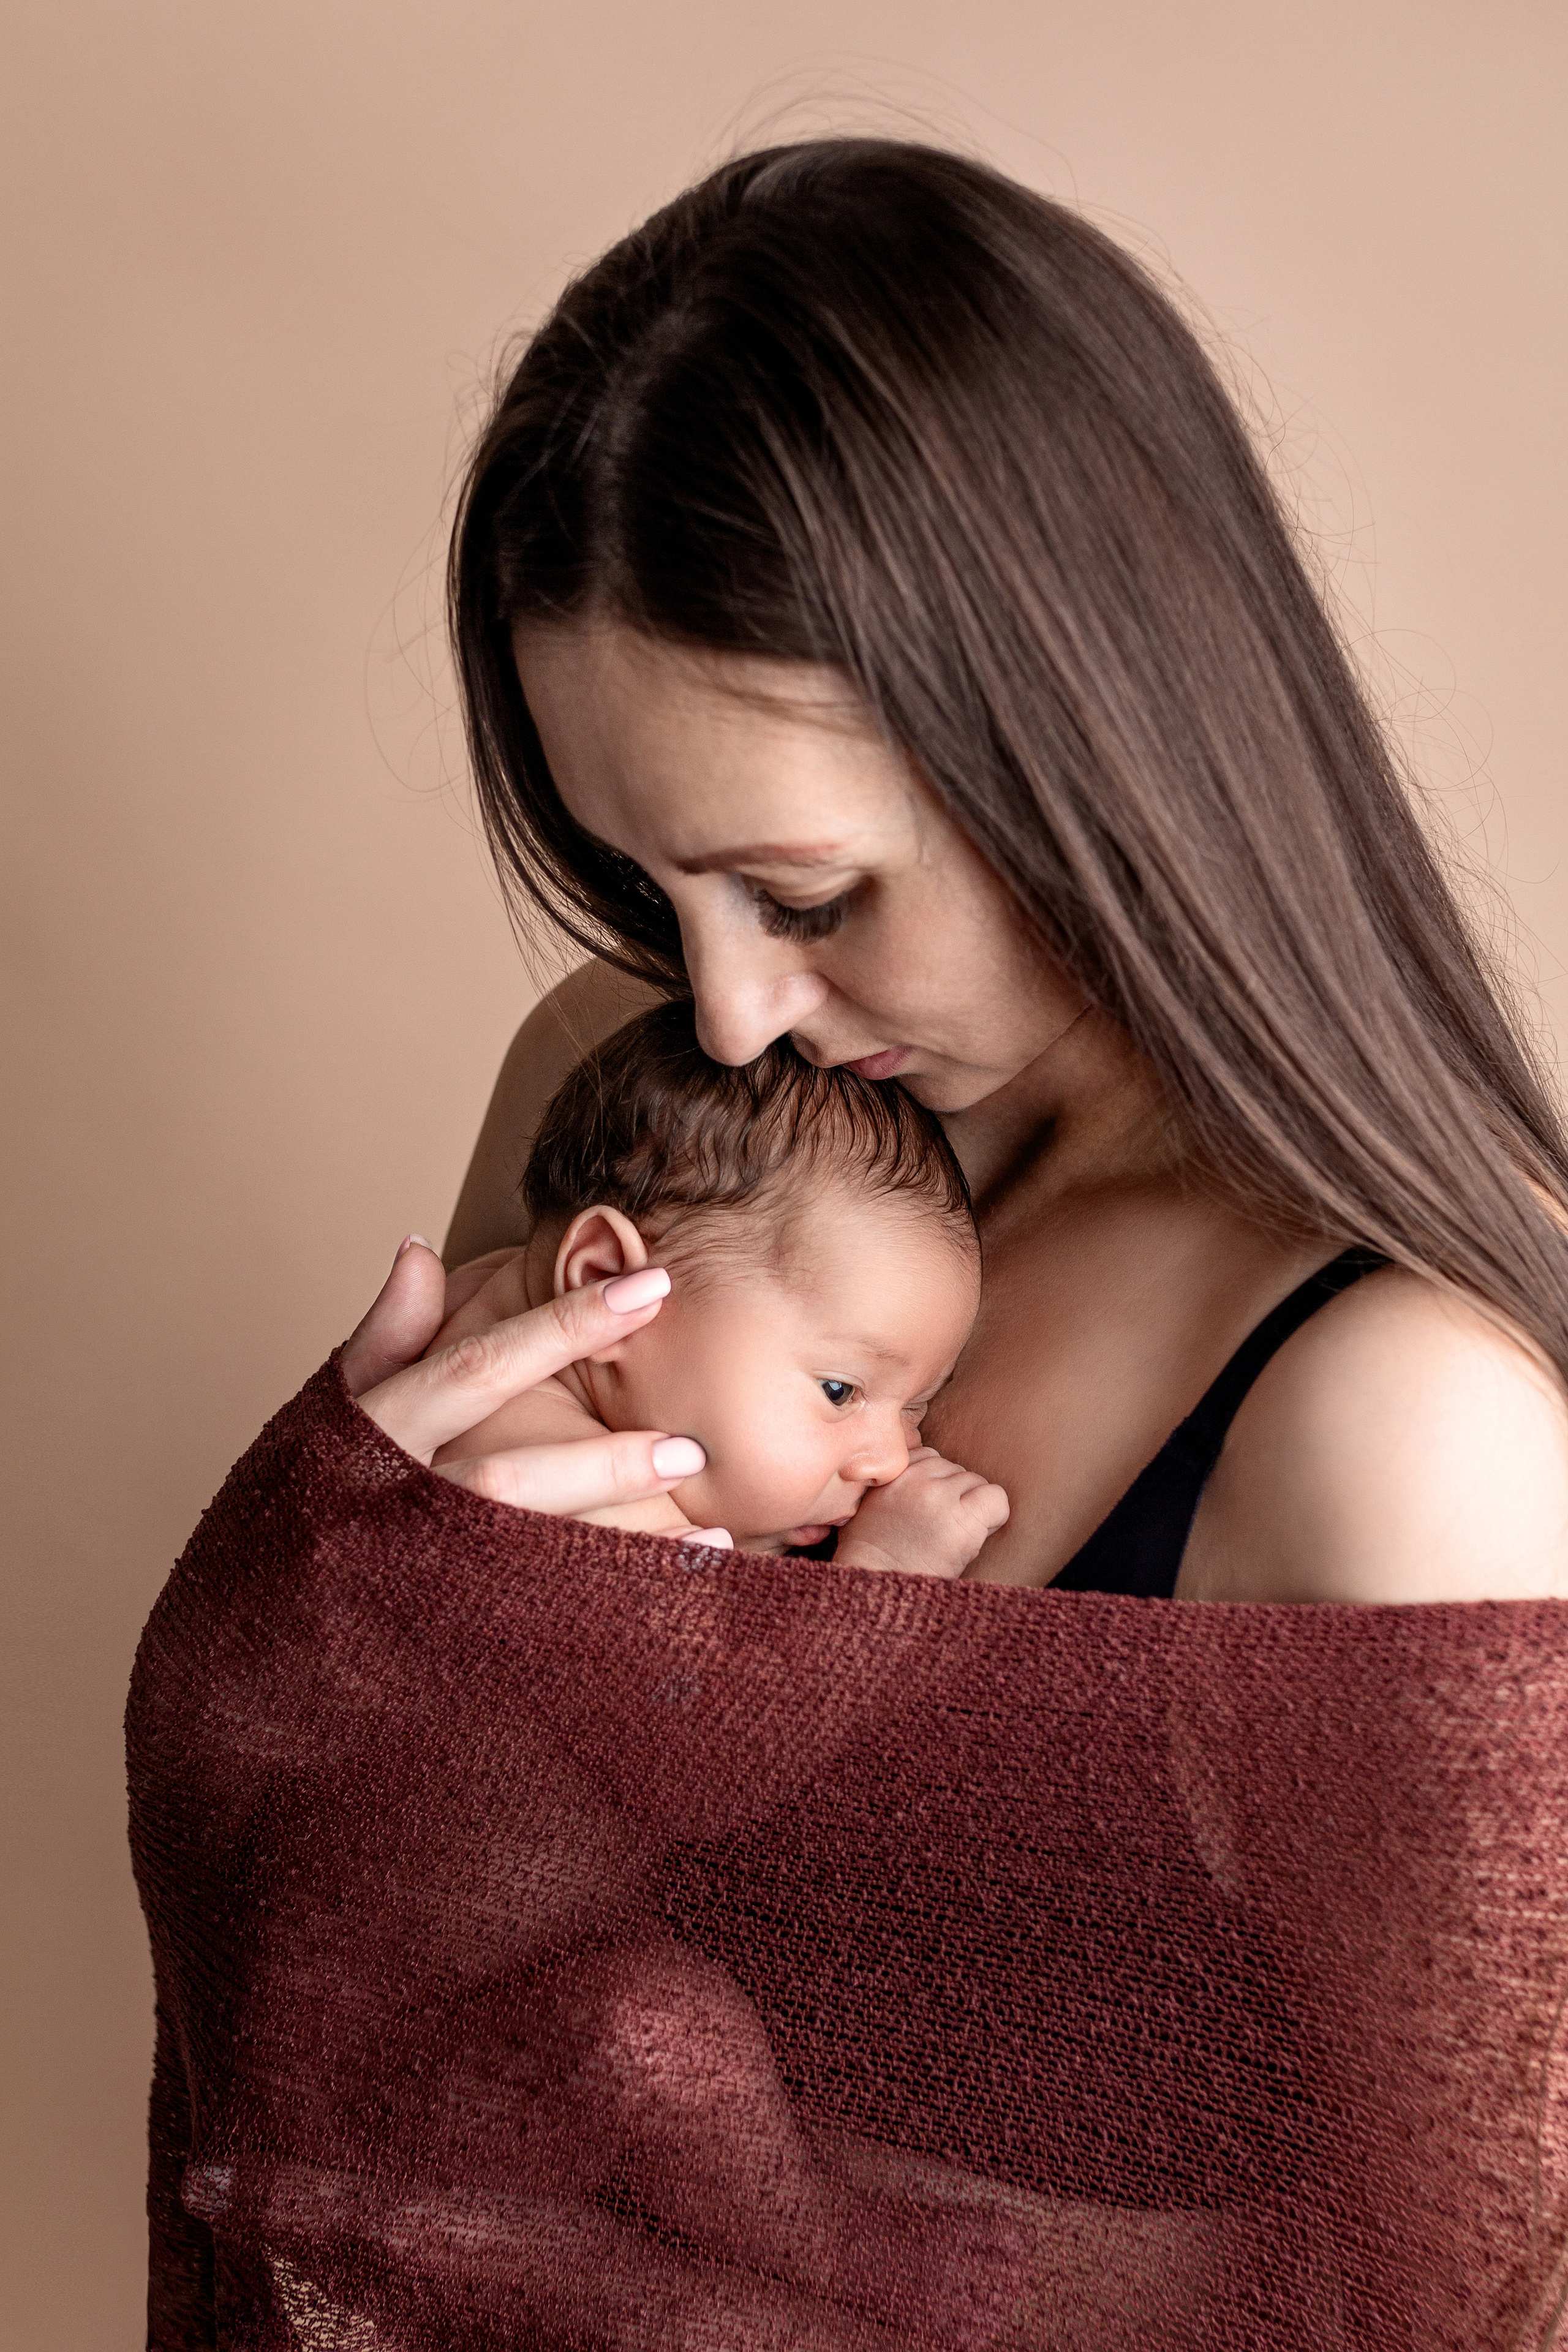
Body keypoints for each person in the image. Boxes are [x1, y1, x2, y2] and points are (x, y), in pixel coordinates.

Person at [351, 134, 1568, 1616]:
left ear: (1104, 743)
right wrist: (339, 1576)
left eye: (803, 895)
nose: (723, 1015)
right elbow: (332, 1819)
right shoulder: (614, 1079)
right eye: (647, 876)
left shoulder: (1421, 1421)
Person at [431, 997, 1008, 1572]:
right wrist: (884, 1570)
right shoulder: (578, 1504)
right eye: (839, 1390)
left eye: (915, 1407)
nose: (888, 1463)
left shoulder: (461, 1317)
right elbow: (735, 1665)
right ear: (606, 1284)